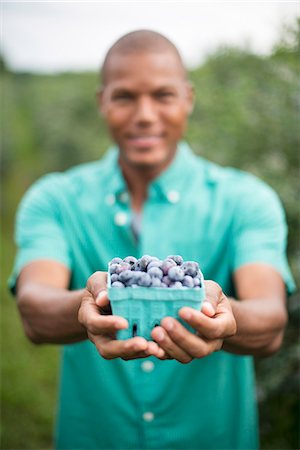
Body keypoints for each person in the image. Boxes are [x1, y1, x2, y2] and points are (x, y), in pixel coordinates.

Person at [9, 30, 295, 450]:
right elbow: (34, 309)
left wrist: (224, 317)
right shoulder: (54, 200)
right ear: (102, 101)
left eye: (163, 95)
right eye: (125, 96)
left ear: (188, 99)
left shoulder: (246, 201)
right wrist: (91, 305)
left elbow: (270, 320)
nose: (144, 115)